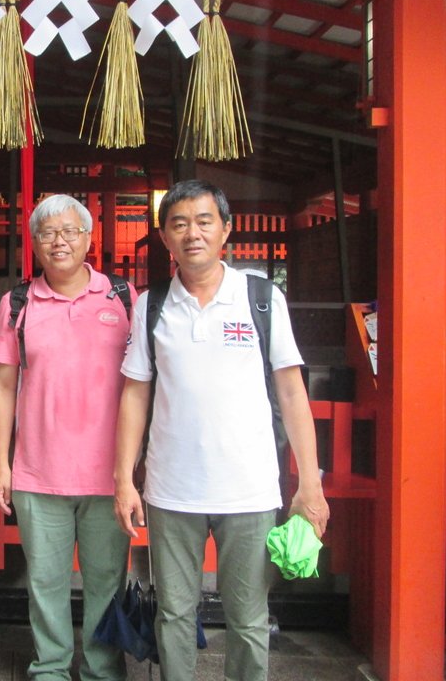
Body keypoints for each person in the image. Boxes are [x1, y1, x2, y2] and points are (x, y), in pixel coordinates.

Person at [114, 179, 330, 681]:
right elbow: (135, 394)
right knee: (172, 613)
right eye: (179, 224)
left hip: (250, 491)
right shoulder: (151, 305)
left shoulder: (260, 297)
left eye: (204, 220)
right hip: (172, 491)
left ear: (227, 229)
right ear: (165, 237)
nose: (193, 233)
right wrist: (125, 479)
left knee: (250, 619)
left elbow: (293, 393)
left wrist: (309, 486)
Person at [0, 194, 135, 681]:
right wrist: (2, 466)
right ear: (34, 243)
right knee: (45, 582)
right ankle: (49, 667)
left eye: (70, 231)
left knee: (105, 582)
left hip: (108, 476)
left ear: (89, 238)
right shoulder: (17, 304)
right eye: (48, 233)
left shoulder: (123, 297)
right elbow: (4, 385)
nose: (59, 241)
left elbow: (144, 385)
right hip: (38, 472)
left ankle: (100, 669)